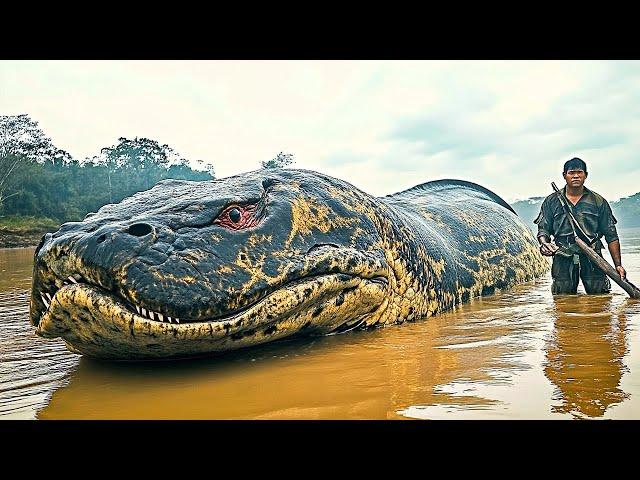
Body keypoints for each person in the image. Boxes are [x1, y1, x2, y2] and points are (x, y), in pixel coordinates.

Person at [534, 157, 626, 294]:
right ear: (564, 175)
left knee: (600, 299)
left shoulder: (598, 201)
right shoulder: (551, 201)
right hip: (563, 255)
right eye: (571, 172)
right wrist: (544, 244)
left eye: (579, 172)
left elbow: (611, 236)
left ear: (585, 175)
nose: (576, 176)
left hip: (593, 256)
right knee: (562, 301)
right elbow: (543, 230)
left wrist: (618, 265)